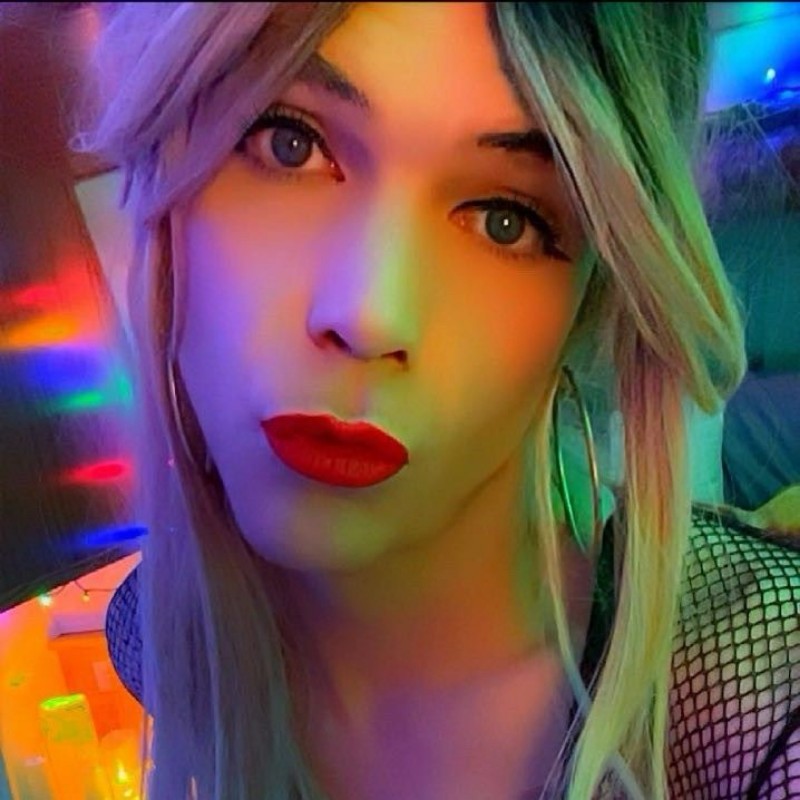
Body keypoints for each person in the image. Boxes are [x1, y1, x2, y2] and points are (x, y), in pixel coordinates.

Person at [74, 3, 800, 799]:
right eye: (289, 143)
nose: (369, 313)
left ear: (592, 304)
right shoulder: (162, 640)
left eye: (506, 221)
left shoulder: (759, 706)